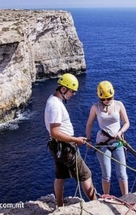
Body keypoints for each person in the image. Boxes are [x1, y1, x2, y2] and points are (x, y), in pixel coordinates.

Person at [44, 73, 97, 207]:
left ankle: (60, 205)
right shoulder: (55, 105)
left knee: (60, 175)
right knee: (85, 174)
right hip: (65, 148)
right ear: (63, 89)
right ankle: (96, 204)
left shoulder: (52, 100)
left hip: (56, 147)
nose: (73, 94)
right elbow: (55, 132)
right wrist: (76, 140)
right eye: (72, 91)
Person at [86, 80, 130, 196]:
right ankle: (106, 197)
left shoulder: (119, 105)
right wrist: (88, 139)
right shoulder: (95, 107)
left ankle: (126, 198)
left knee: (122, 173)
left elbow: (126, 123)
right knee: (106, 175)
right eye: (103, 99)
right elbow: (89, 123)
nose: (105, 101)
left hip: (117, 143)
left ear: (113, 95)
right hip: (103, 144)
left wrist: (120, 132)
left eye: (108, 98)